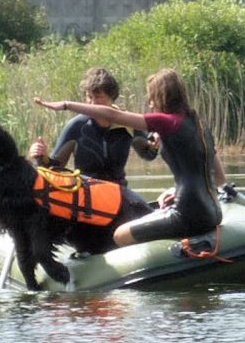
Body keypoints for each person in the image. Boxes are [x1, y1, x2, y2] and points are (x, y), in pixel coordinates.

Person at [34, 68, 227, 247]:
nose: (150, 103)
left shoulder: (165, 122)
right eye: (88, 97)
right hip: (213, 213)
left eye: (151, 98)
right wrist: (177, 190)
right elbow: (219, 179)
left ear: (160, 97)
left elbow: (113, 115)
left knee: (119, 235)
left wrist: (66, 105)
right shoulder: (200, 124)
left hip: (185, 212)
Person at [29, 67, 158, 186]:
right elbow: (54, 169)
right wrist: (41, 156)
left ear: (112, 97)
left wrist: (154, 144)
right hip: (87, 194)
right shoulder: (76, 126)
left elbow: (148, 155)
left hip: (119, 192)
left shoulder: (128, 123)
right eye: (89, 97)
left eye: (98, 97)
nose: (92, 103)